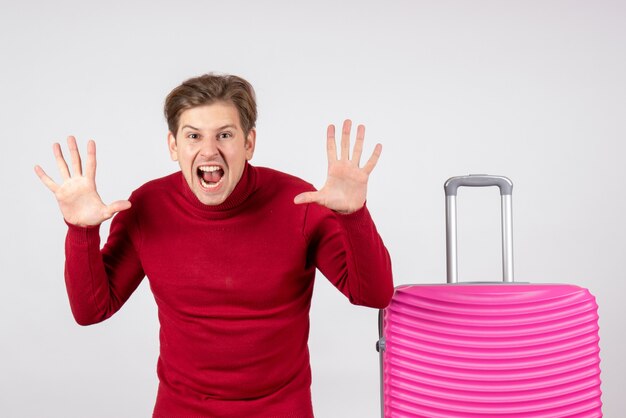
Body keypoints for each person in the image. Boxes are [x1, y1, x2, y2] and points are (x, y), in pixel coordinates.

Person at [35, 73, 394, 418]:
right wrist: (81, 230)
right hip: (182, 409)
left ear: (248, 143)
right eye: (193, 136)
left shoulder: (299, 203)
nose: (209, 150)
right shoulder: (146, 207)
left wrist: (354, 215)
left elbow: (373, 294)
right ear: (173, 145)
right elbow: (92, 310)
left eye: (224, 135)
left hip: (280, 408)